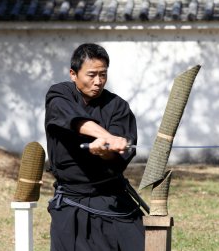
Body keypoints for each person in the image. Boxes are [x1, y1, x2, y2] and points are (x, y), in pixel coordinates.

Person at [44, 43, 145, 251]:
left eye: (103, 74)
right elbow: (73, 120)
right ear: (73, 74)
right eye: (91, 75)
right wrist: (107, 137)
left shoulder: (117, 106)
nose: (98, 82)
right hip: (72, 201)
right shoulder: (59, 95)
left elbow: (119, 158)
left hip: (112, 198)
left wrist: (106, 151)